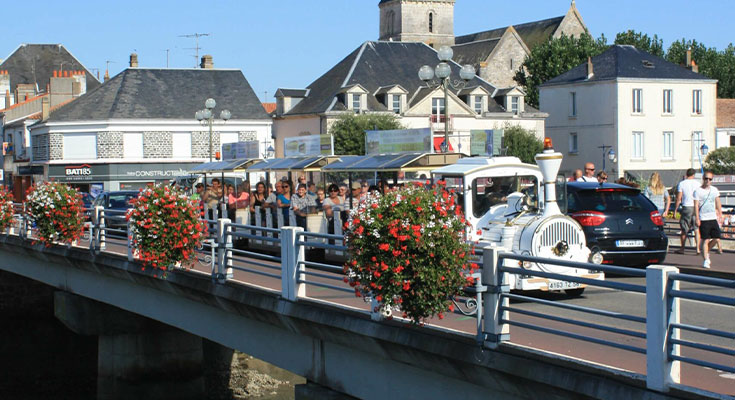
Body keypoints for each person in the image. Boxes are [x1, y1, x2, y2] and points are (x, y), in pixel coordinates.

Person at [693, 170, 723, 269]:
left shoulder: (714, 190)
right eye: (706, 179)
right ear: (703, 179)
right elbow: (696, 205)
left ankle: (705, 251)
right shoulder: (698, 191)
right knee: (705, 240)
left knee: (716, 238)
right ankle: (706, 259)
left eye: (710, 179)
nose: (708, 181)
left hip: (713, 217)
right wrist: (697, 218)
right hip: (703, 218)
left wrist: (720, 214)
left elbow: (717, 202)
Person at [673, 168, 700, 254]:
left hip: (686, 207)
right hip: (696, 207)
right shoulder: (698, 184)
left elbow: (678, 198)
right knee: (696, 229)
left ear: (686, 174)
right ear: (694, 175)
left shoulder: (682, 184)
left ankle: (682, 248)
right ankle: (698, 249)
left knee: (684, 229)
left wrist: (675, 210)